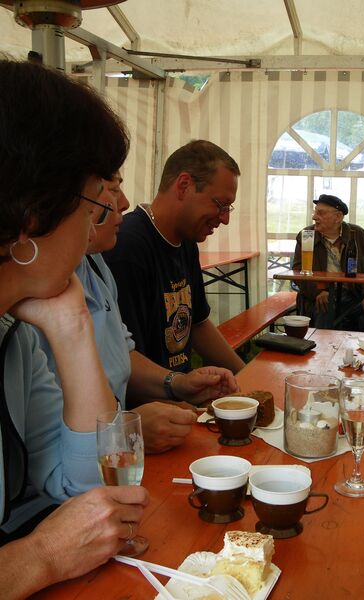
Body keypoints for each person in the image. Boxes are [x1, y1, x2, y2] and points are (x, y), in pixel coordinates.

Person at [0, 59, 147, 597]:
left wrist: (73, 327)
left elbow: (86, 489)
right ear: (33, 215)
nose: (93, 230)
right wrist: (39, 556)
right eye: (91, 207)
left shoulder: (15, 336)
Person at [37, 173, 238, 454]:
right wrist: (124, 431)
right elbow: (43, 440)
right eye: (110, 190)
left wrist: (177, 384)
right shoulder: (121, 250)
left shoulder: (94, 262)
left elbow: (122, 354)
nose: (124, 202)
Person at [104, 140, 245, 379]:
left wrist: (246, 376)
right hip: (151, 398)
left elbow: (198, 324)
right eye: (221, 205)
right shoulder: (128, 247)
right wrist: (179, 390)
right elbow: (124, 362)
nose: (225, 219)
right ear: (184, 186)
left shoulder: (186, 241)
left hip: (179, 390)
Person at [292, 194, 364, 331]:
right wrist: (318, 292)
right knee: (325, 308)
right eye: (315, 212)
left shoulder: (359, 235)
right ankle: (321, 345)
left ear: (338, 217)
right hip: (320, 295)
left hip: (354, 295)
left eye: (320, 213)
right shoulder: (307, 235)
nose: (314, 217)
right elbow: (298, 271)